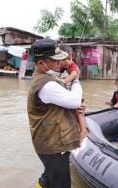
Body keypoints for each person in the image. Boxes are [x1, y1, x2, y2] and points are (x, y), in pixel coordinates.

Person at [27, 38, 85, 188]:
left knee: (49, 177)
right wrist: (76, 79)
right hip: (53, 145)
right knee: (61, 183)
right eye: (56, 61)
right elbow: (75, 101)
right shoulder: (47, 85)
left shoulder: (44, 78)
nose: (60, 64)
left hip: (47, 142)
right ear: (41, 64)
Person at [59, 44, 87, 142]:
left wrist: (64, 81)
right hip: (70, 91)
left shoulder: (72, 66)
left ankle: (83, 130)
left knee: (79, 110)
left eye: (69, 58)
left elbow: (74, 74)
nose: (67, 61)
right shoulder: (60, 68)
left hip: (73, 90)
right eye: (64, 59)